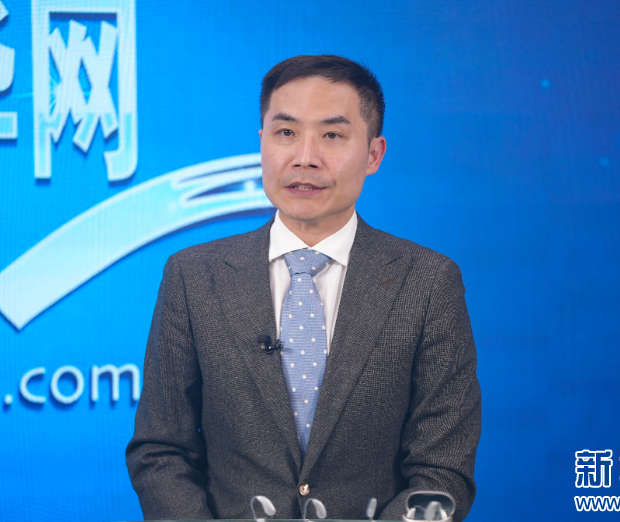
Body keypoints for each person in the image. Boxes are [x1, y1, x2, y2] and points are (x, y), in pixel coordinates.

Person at [126, 55, 481, 521]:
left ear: (373, 154)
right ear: (262, 143)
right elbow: (160, 451)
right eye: (286, 132)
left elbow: (442, 473)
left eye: (332, 135)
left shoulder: (428, 283)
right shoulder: (194, 277)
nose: (305, 157)